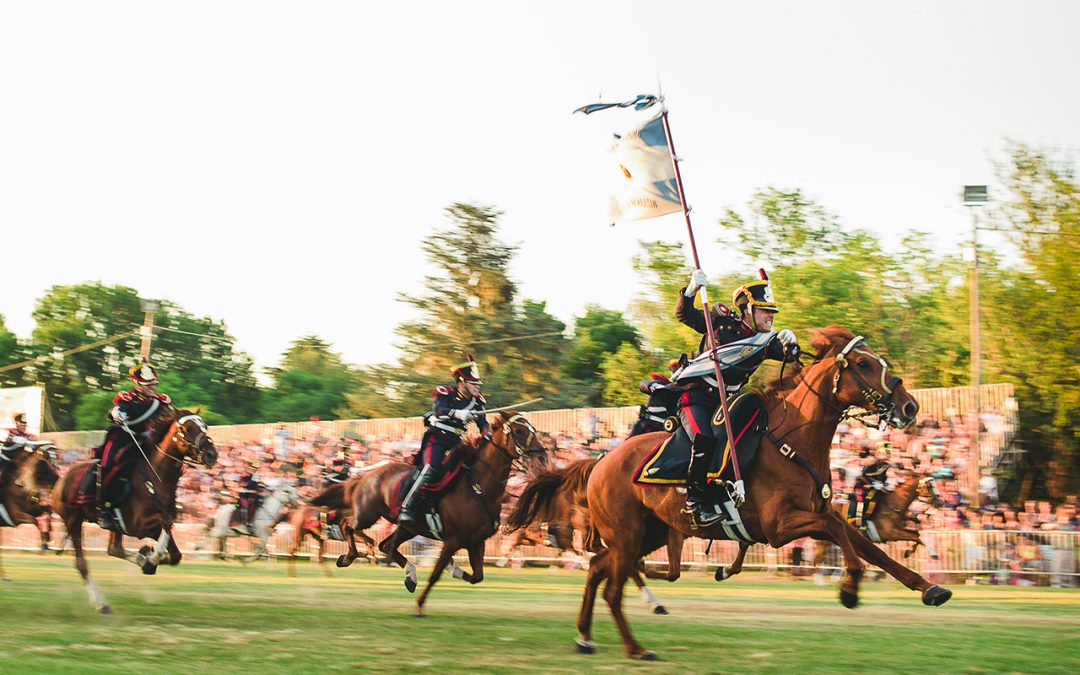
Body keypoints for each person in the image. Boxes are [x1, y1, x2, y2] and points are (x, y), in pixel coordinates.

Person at [674, 268, 800, 528]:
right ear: (748, 310)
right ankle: (696, 503)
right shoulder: (720, 321)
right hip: (698, 397)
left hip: (726, 403)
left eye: (773, 312)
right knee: (705, 437)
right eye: (766, 311)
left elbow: (788, 354)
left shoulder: (763, 340)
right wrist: (690, 292)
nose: (771, 316)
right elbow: (684, 315)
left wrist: (791, 344)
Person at [398, 354, 490, 527]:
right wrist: (458, 413)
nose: (477, 387)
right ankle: (406, 507)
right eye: (473, 383)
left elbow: (483, 423)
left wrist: (488, 434)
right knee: (430, 468)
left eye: (478, 384)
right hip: (438, 438)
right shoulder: (445, 394)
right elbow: (439, 411)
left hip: (457, 441)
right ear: (461, 382)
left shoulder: (478, 402)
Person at [95, 361, 172, 531]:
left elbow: (170, 418)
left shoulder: (160, 402)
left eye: (154, 384)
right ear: (137, 384)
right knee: (108, 467)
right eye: (148, 385)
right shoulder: (128, 399)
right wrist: (117, 413)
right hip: (123, 437)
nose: (152, 388)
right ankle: (104, 510)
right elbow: (114, 412)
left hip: (145, 442)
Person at [628, 359, 682, 438]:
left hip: (669, 430)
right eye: (674, 367)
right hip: (648, 426)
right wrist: (652, 386)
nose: (676, 370)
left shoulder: (689, 388)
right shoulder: (663, 383)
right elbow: (643, 384)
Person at [1, 413, 49, 491]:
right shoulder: (13, 433)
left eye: (25, 425)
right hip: (7, 459)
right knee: (2, 472)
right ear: (17, 425)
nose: (24, 427)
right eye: (22, 425)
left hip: (18, 459)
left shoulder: (26, 435)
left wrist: (34, 439)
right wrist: (19, 439)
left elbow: (33, 439)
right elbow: (11, 439)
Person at [853, 441, 893, 523]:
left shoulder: (888, 466)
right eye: (883, 452)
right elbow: (865, 475)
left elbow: (886, 477)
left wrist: (886, 485)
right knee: (870, 501)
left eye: (887, 453)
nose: (885, 455)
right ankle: (864, 519)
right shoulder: (871, 463)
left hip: (881, 489)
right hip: (868, 488)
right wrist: (876, 484)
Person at [236, 461, 264, 527]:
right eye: (251, 469)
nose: (251, 470)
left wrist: (252, 491)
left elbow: (259, 488)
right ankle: (244, 521)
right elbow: (240, 485)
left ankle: (252, 521)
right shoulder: (244, 476)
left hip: (254, 495)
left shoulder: (257, 477)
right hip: (244, 495)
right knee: (244, 504)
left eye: (254, 469)